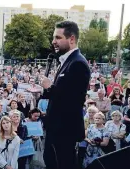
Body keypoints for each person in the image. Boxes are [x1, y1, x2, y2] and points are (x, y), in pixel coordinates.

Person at [42, 21, 91, 169]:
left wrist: (50, 87)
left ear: (71, 39)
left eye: (58, 37)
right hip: (56, 129)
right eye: (53, 37)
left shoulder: (77, 63)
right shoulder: (67, 61)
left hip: (64, 131)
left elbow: (73, 100)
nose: (53, 41)